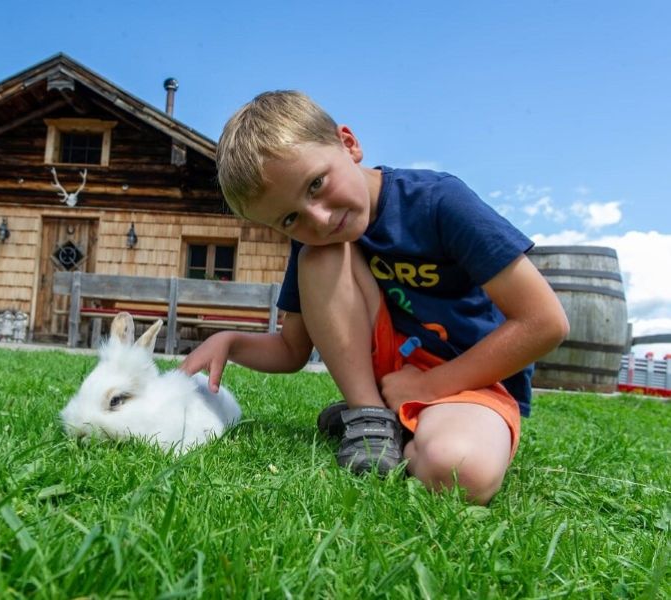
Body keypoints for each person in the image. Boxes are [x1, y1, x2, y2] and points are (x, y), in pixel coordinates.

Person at [180, 91, 570, 503]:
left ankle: (401, 423)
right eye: (290, 219)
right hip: (388, 377)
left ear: (348, 144)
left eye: (317, 184)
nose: (320, 219)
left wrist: (430, 385)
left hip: (472, 381)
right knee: (320, 255)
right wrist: (230, 342)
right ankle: (371, 417)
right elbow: (293, 349)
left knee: (458, 472)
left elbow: (544, 323)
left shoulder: (439, 202)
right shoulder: (316, 243)